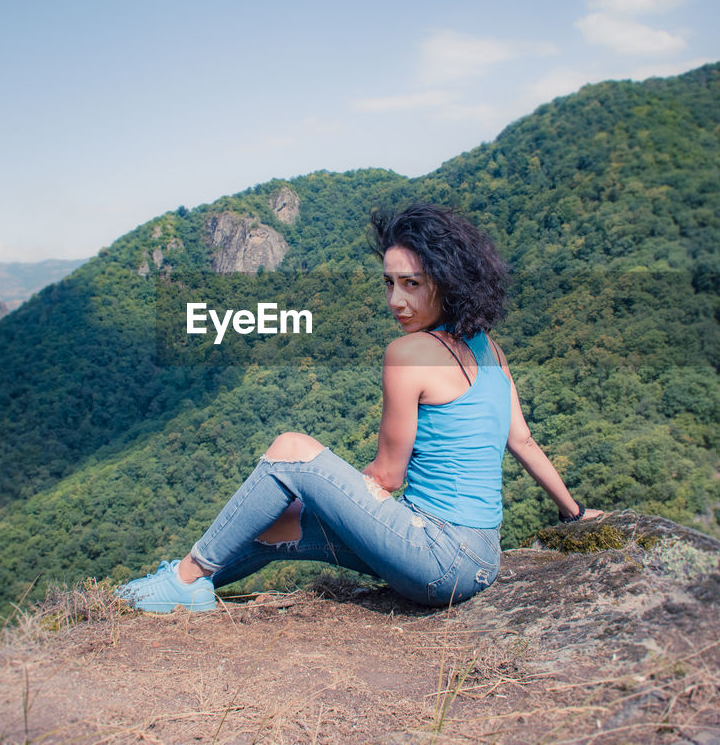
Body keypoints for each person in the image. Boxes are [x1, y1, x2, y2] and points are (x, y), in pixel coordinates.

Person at [116, 204, 602, 612]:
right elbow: (523, 440)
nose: (396, 300)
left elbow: (387, 477)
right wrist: (574, 513)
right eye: (389, 283)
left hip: (437, 558)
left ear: (449, 281)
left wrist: (337, 491)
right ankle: (181, 590)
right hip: (480, 558)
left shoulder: (407, 354)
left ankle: (183, 579)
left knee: (290, 451)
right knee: (279, 520)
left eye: (411, 284)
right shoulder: (490, 349)